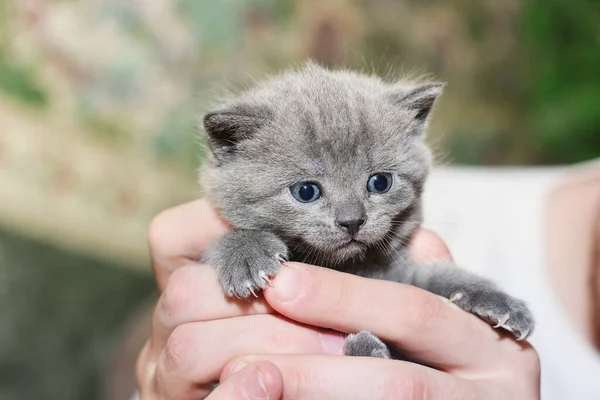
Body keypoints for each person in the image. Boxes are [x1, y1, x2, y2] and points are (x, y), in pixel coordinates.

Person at [131, 161, 600, 399]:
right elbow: (156, 347)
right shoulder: (442, 205)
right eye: (310, 191)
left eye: (375, 186)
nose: (352, 216)